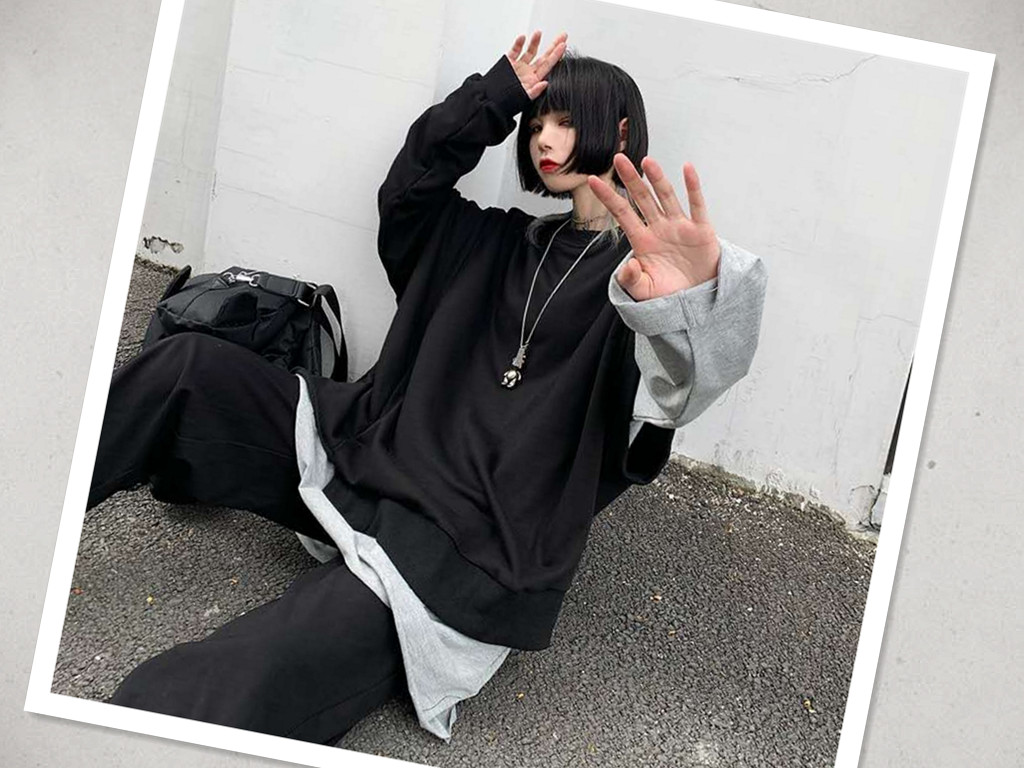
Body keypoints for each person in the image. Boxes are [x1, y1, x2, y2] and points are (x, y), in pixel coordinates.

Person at [88, 31, 767, 745]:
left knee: (231, 680)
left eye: (565, 121)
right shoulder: (493, 241)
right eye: (537, 121)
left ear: (619, 133)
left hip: (466, 548)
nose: (543, 137)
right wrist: (496, 96)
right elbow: (408, 192)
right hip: (368, 455)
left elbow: (679, 389)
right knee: (187, 368)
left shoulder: (643, 291)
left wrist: (687, 310)